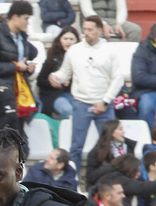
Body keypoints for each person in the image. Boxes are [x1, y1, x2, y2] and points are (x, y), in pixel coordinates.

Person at [48, 15, 123, 172]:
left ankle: (107, 179)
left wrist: (105, 101)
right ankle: (73, 182)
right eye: (84, 29)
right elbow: (65, 72)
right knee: (76, 147)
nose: (86, 33)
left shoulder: (111, 50)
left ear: (100, 30)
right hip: (81, 103)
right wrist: (54, 76)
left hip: (104, 105)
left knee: (108, 146)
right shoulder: (74, 50)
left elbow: (118, 79)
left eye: (90, 30)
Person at [0, 1, 38, 98]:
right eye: (26, 19)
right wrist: (16, 66)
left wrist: (27, 69)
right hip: (0, 93)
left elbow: (20, 63)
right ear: (15, 17)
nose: (27, 23)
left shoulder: (22, 38)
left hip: (20, 91)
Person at [36, 26, 78, 120]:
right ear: (60, 40)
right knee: (67, 110)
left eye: (71, 39)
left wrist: (70, 83)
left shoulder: (81, 57)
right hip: (55, 95)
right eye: (65, 39)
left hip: (75, 94)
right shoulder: (52, 57)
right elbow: (40, 80)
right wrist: (52, 83)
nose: (68, 42)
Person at [84, 118, 133, 186]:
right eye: (120, 129)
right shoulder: (97, 152)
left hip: (127, 185)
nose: (123, 132)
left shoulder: (129, 147)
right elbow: (91, 177)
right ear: (112, 132)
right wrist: (112, 166)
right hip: (106, 187)